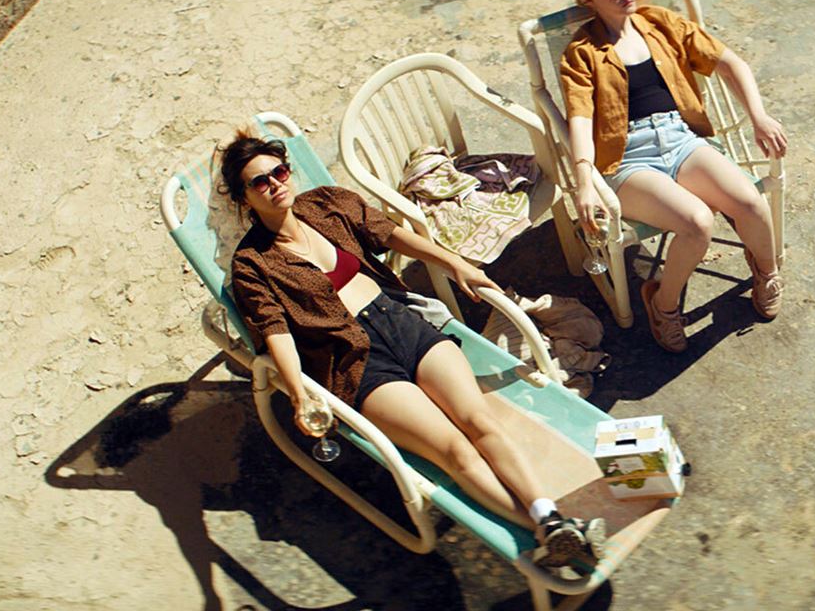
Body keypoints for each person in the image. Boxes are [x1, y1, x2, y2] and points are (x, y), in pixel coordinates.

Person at [219, 132, 603, 572]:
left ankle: (550, 521)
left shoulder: (326, 203)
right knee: (454, 450)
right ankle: (551, 529)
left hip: (401, 323)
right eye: (260, 182)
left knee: (479, 421)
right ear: (244, 199)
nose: (275, 184)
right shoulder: (252, 264)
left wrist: (456, 264)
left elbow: (393, 235)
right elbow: (277, 333)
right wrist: (300, 394)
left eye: (279, 172)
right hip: (355, 362)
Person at [559, 0, 788, 353]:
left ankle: (766, 271)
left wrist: (758, 116)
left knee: (750, 202)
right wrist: (584, 182)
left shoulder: (660, 22)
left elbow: (730, 63)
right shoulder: (581, 52)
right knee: (697, 223)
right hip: (628, 159)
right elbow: (580, 118)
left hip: (680, 138)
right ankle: (662, 304)